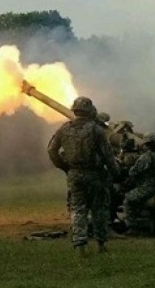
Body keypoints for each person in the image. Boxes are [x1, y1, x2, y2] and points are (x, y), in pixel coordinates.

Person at [47, 96, 120, 256]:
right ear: (90, 111)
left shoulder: (64, 129)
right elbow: (108, 155)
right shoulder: (96, 130)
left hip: (74, 174)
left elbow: (51, 149)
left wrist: (64, 166)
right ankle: (101, 245)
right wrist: (115, 173)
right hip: (95, 174)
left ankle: (80, 245)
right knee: (98, 209)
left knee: (77, 209)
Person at [123, 133, 155, 235]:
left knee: (128, 200)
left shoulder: (146, 157)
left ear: (147, 144)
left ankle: (132, 227)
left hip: (149, 188)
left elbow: (133, 172)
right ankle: (154, 225)